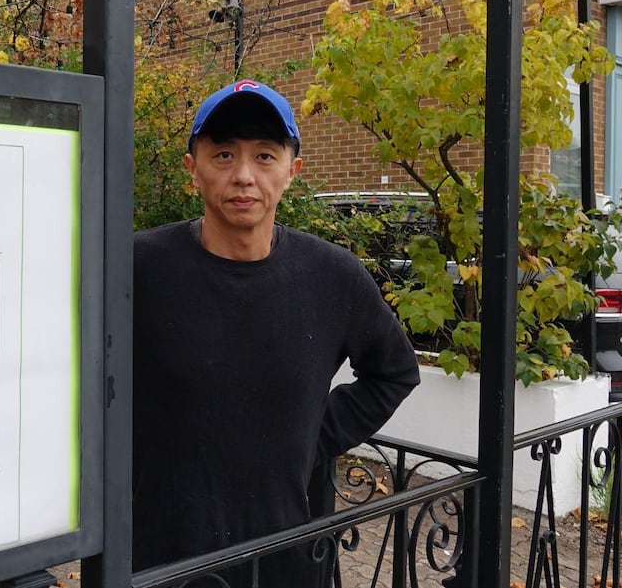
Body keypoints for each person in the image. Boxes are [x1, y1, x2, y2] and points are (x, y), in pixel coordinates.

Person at [132, 79, 421, 585]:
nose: (244, 175)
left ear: (292, 171)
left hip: (287, 554)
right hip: (163, 558)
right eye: (223, 154)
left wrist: (313, 434)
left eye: (265, 156)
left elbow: (394, 371)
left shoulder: (332, 276)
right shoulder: (137, 267)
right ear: (193, 169)